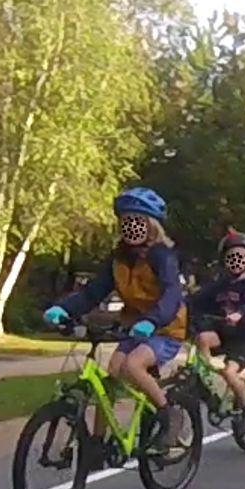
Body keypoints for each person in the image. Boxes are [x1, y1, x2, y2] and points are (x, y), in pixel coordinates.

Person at [42, 187, 189, 452]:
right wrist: (63, 309)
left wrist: (153, 321)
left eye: (137, 222)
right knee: (111, 376)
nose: (130, 227)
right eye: (126, 222)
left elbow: (171, 295)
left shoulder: (162, 257)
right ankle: (98, 443)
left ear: (150, 226)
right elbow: (93, 292)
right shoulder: (118, 259)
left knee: (133, 365)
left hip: (164, 329)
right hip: (133, 329)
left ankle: (170, 416)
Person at [189, 228, 245, 433]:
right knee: (202, 338)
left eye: (240, 257)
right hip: (223, 335)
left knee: (229, 373)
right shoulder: (220, 284)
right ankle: (206, 379)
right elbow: (198, 300)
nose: (235, 261)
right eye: (230, 257)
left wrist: (239, 314)